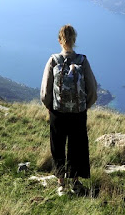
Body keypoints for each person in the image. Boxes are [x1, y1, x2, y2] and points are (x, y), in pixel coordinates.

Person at [40, 24, 98, 196]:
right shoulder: (82, 60)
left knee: (58, 146)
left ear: (59, 40)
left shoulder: (53, 60)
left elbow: (45, 91)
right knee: (77, 146)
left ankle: (61, 184)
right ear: (74, 40)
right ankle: (75, 182)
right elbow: (93, 89)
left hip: (58, 113)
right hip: (78, 113)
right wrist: (84, 106)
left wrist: (51, 107)